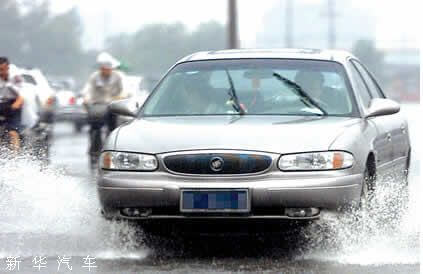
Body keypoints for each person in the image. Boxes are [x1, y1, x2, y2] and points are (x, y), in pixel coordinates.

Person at [82, 57, 126, 166]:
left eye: (108, 69)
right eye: (103, 69)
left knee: (113, 128)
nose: (105, 71)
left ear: (111, 69)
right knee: (95, 128)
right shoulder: (94, 77)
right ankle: (94, 151)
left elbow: (123, 91)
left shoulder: (117, 77)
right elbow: (88, 90)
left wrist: (120, 97)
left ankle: (110, 148)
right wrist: (86, 99)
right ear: (101, 69)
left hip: (112, 105)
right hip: (98, 105)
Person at [0, 57, 24, 152]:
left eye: (2, 70)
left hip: (13, 104)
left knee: (13, 132)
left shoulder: (15, 78)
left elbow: (22, 96)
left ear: (7, 68)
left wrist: (13, 107)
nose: (0, 73)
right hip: (1, 104)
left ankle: (15, 155)